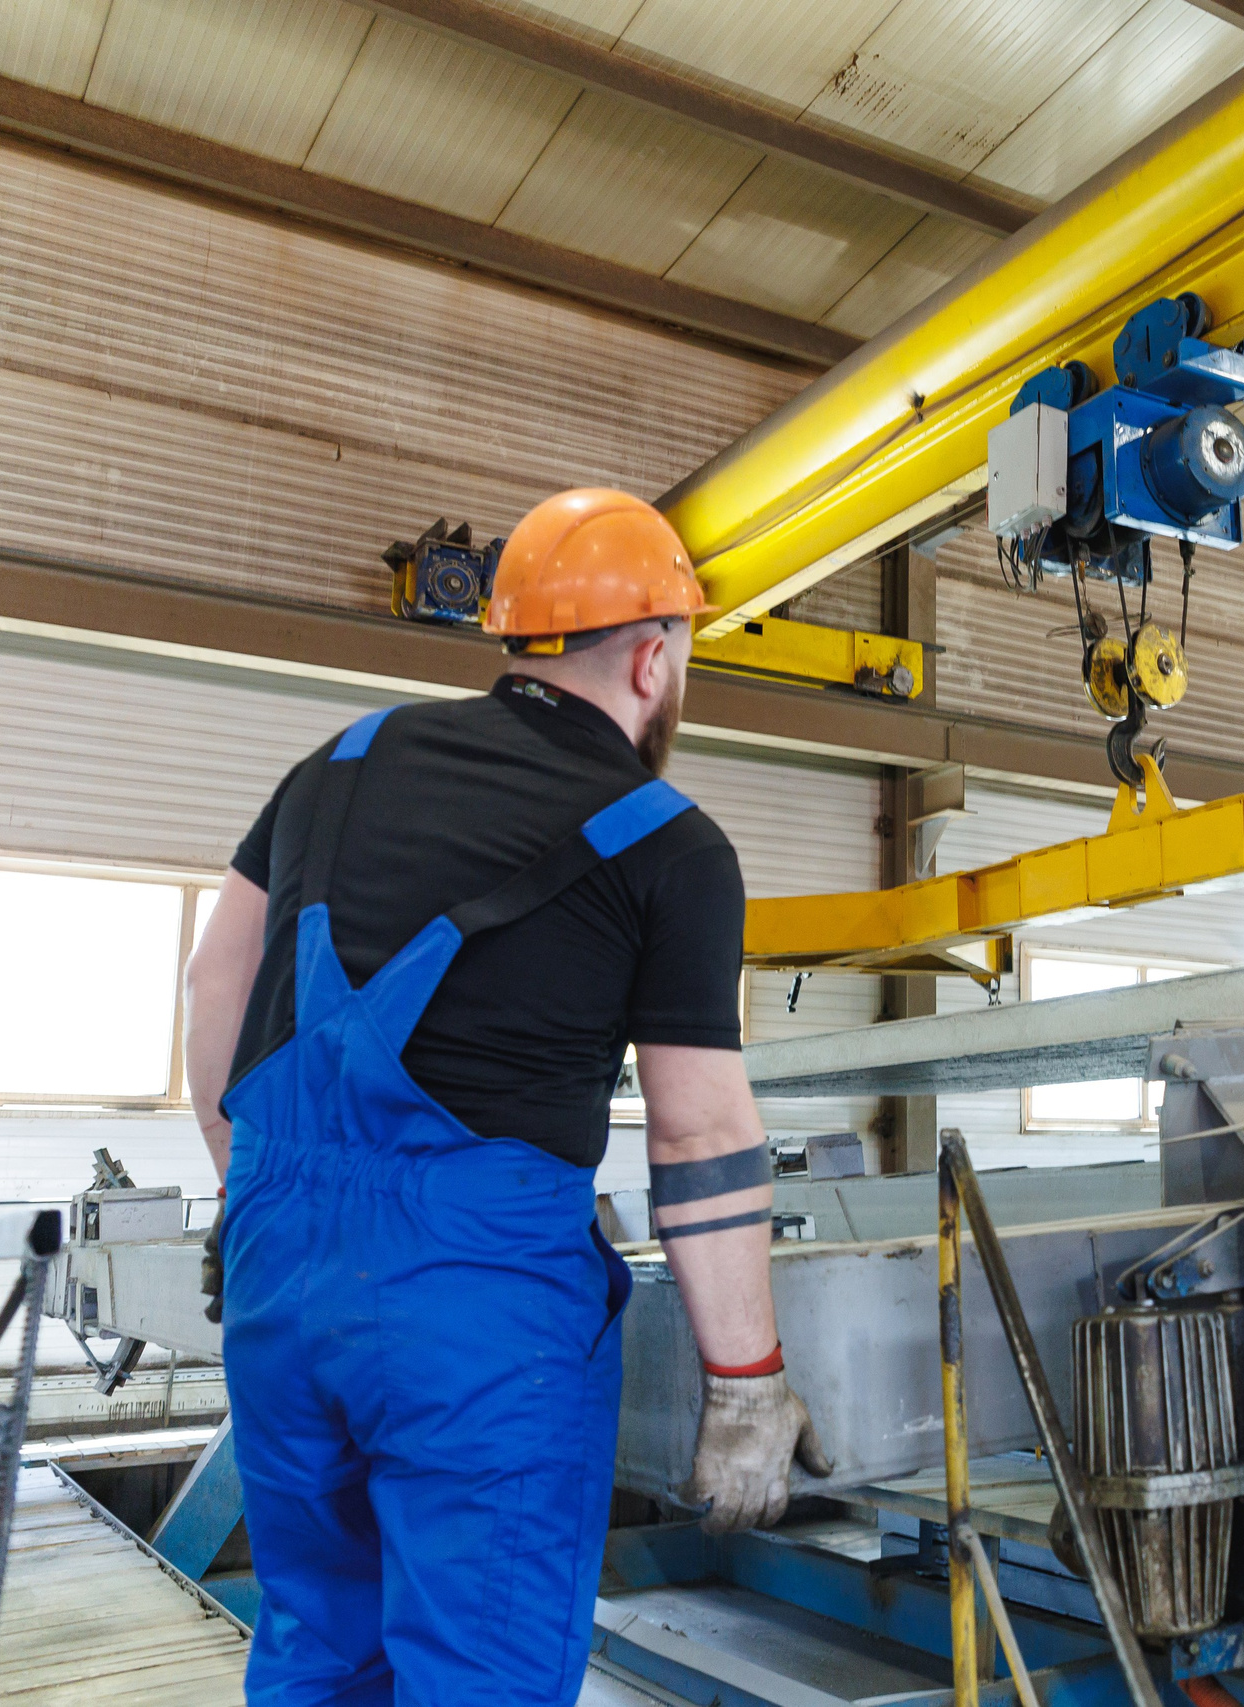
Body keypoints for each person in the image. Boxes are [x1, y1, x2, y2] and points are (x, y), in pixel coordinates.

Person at [182, 487, 828, 1705]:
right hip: (476, 1309)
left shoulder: (338, 763)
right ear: (653, 658)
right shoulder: (671, 843)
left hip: (280, 1271)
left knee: (316, 1643)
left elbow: (218, 980)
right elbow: (698, 1132)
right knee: (478, 1671)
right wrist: (747, 1385)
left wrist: (260, 1187)